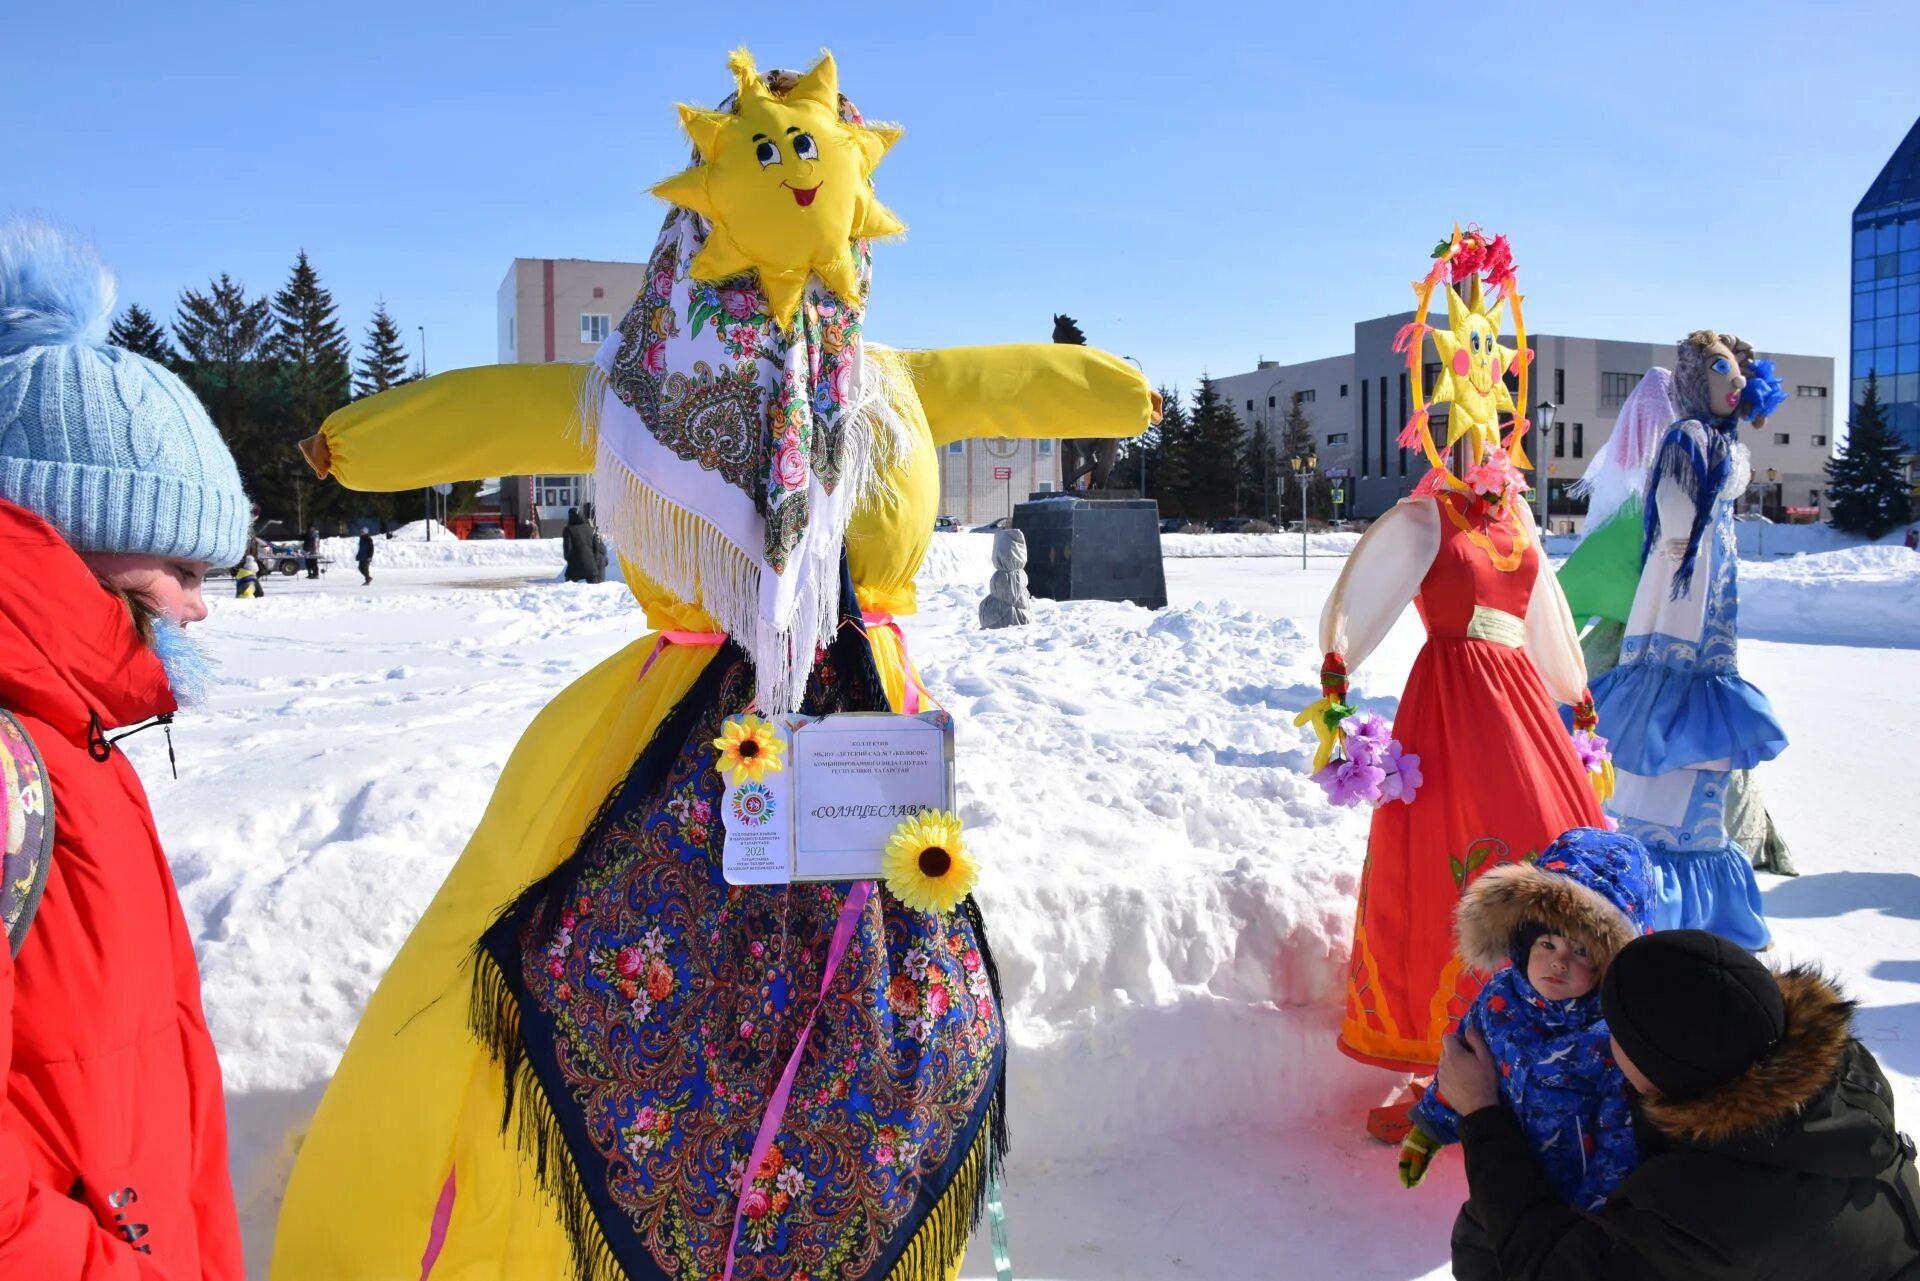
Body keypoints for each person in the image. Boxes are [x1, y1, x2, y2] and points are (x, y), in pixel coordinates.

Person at [271, 49, 1159, 1281]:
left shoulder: (890, 388)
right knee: (590, 979)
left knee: (897, 1016)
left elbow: (1021, 381)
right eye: (770, 155)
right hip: (674, 725)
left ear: (858, 189)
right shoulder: (643, 390)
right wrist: (357, 445)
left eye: (815, 156)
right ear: (709, 188)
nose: (797, 179)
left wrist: (1122, 393)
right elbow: (511, 406)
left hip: (864, 751)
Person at [1311, 229, 1606, 1125]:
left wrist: (1579, 702)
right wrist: (1337, 677)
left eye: (1494, 403)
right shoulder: (1427, 516)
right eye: (1466, 407)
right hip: (1448, 711)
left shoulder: (1519, 523)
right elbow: (1362, 603)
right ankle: (1445, 1065)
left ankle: (1555, 1053)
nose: (1484, 430)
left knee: (1550, 852)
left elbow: (1547, 621)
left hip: (1522, 710)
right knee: (1447, 870)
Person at [0, 222, 248, 1277]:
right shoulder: (16, 762)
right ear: (68, 528)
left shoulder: (77, 737)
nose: (198, 607)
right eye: (184, 567)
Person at [1441, 930, 1920, 1279]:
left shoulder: (1694, 1220)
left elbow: (1550, 1271)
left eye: (1613, 1030)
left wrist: (1483, 1116)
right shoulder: (1842, 1081)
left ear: (1656, 1072)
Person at [1587, 334, 1789, 949]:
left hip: (1701, 595)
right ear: (1695, 379)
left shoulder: (1713, 440)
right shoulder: (1690, 439)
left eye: (1738, 372)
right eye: (1720, 371)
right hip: (1683, 590)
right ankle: (1657, 885)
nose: (1734, 383)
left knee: (1688, 709)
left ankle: (1680, 880)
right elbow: (1677, 522)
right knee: (1671, 698)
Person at [1398, 828, 1655, 1277]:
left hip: (1570, 1214)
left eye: (1580, 952)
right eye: (1548, 944)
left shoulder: (1610, 1039)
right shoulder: (1500, 998)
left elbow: (1621, 1140)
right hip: (1498, 1186)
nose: (1559, 963)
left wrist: (1595, 1219)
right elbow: (1462, 1064)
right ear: (1522, 942)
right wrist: (1430, 1127)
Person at [560, 505, 603, 584]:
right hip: (591, 566)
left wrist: (569, 560)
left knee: (567, 588)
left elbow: (567, 549)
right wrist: (595, 561)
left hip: (575, 566)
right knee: (595, 589)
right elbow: (596, 548)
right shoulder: (590, 529)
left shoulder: (568, 529)